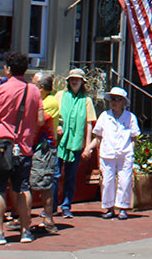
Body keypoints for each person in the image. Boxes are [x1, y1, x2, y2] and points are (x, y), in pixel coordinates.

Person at [0, 51, 44, 245]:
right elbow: (40, 120)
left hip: (1, 146)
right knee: (21, 188)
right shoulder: (34, 91)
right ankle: (26, 230)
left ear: (8, 69)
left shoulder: (0, 91)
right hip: (24, 147)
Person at [55, 68, 97, 219]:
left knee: (70, 177)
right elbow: (53, 115)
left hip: (76, 142)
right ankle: (52, 206)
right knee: (55, 174)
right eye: (72, 79)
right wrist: (57, 126)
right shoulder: (60, 96)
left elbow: (89, 124)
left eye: (77, 79)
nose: (74, 81)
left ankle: (66, 206)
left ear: (82, 82)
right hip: (59, 142)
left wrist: (87, 146)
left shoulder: (86, 100)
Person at [94, 86, 141, 219]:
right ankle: (109, 207)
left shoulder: (130, 117)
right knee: (107, 181)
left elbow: (134, 136)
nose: (115, 102)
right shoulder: (104, 116)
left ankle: (122, 207)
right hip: (107, 153)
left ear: (123, 102)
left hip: (124, 154)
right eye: (112, 99)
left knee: (124, 181)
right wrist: (91, 149)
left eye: (118, 99)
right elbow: (98, 135)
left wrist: (130, 150)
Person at [27, 71, 61, 234]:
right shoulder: (38, 100)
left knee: (43, 183)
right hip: (33, 147)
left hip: (44, 148)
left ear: (40, 87)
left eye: (32, 83)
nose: (29, 85)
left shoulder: (49, 101)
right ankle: (23, 217)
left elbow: (37, 122)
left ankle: (48, 220)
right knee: (28, 182)